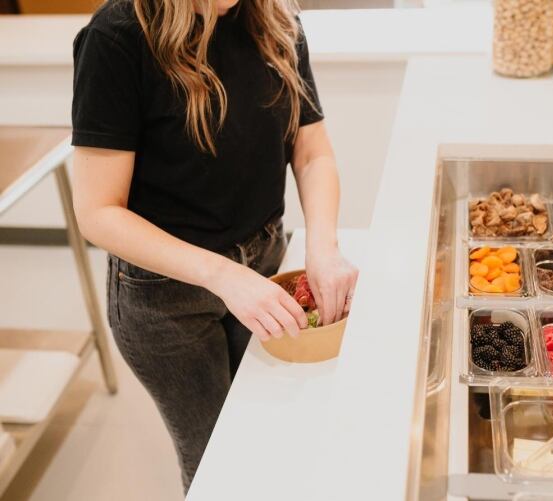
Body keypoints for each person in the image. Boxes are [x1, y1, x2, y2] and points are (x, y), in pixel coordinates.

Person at [70, 0, 357, 491]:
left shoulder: (276, 19)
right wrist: (223, 276)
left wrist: (323, 245)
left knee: (273, 432)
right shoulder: (118, 37)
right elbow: (98, 213)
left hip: (265, 265)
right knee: (218, 469)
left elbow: (311, 151)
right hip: (164, 297)